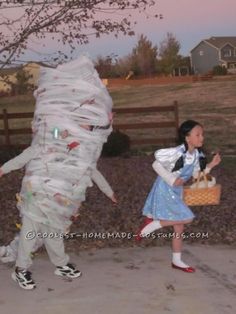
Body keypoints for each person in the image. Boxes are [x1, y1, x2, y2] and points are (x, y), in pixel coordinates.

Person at [136, 120, 221, 273]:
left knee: (179, 227)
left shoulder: (196, 155)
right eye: (198, 134)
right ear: (187, 138)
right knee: (187, 218)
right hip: (165, 188)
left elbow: (196, 176)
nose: (202, 137)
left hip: (176, 191)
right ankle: (152, 225)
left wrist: (211, 165)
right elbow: (156, 164)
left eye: (202, 134)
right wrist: (172, 179)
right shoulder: (177, 152)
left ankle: (177, 261)